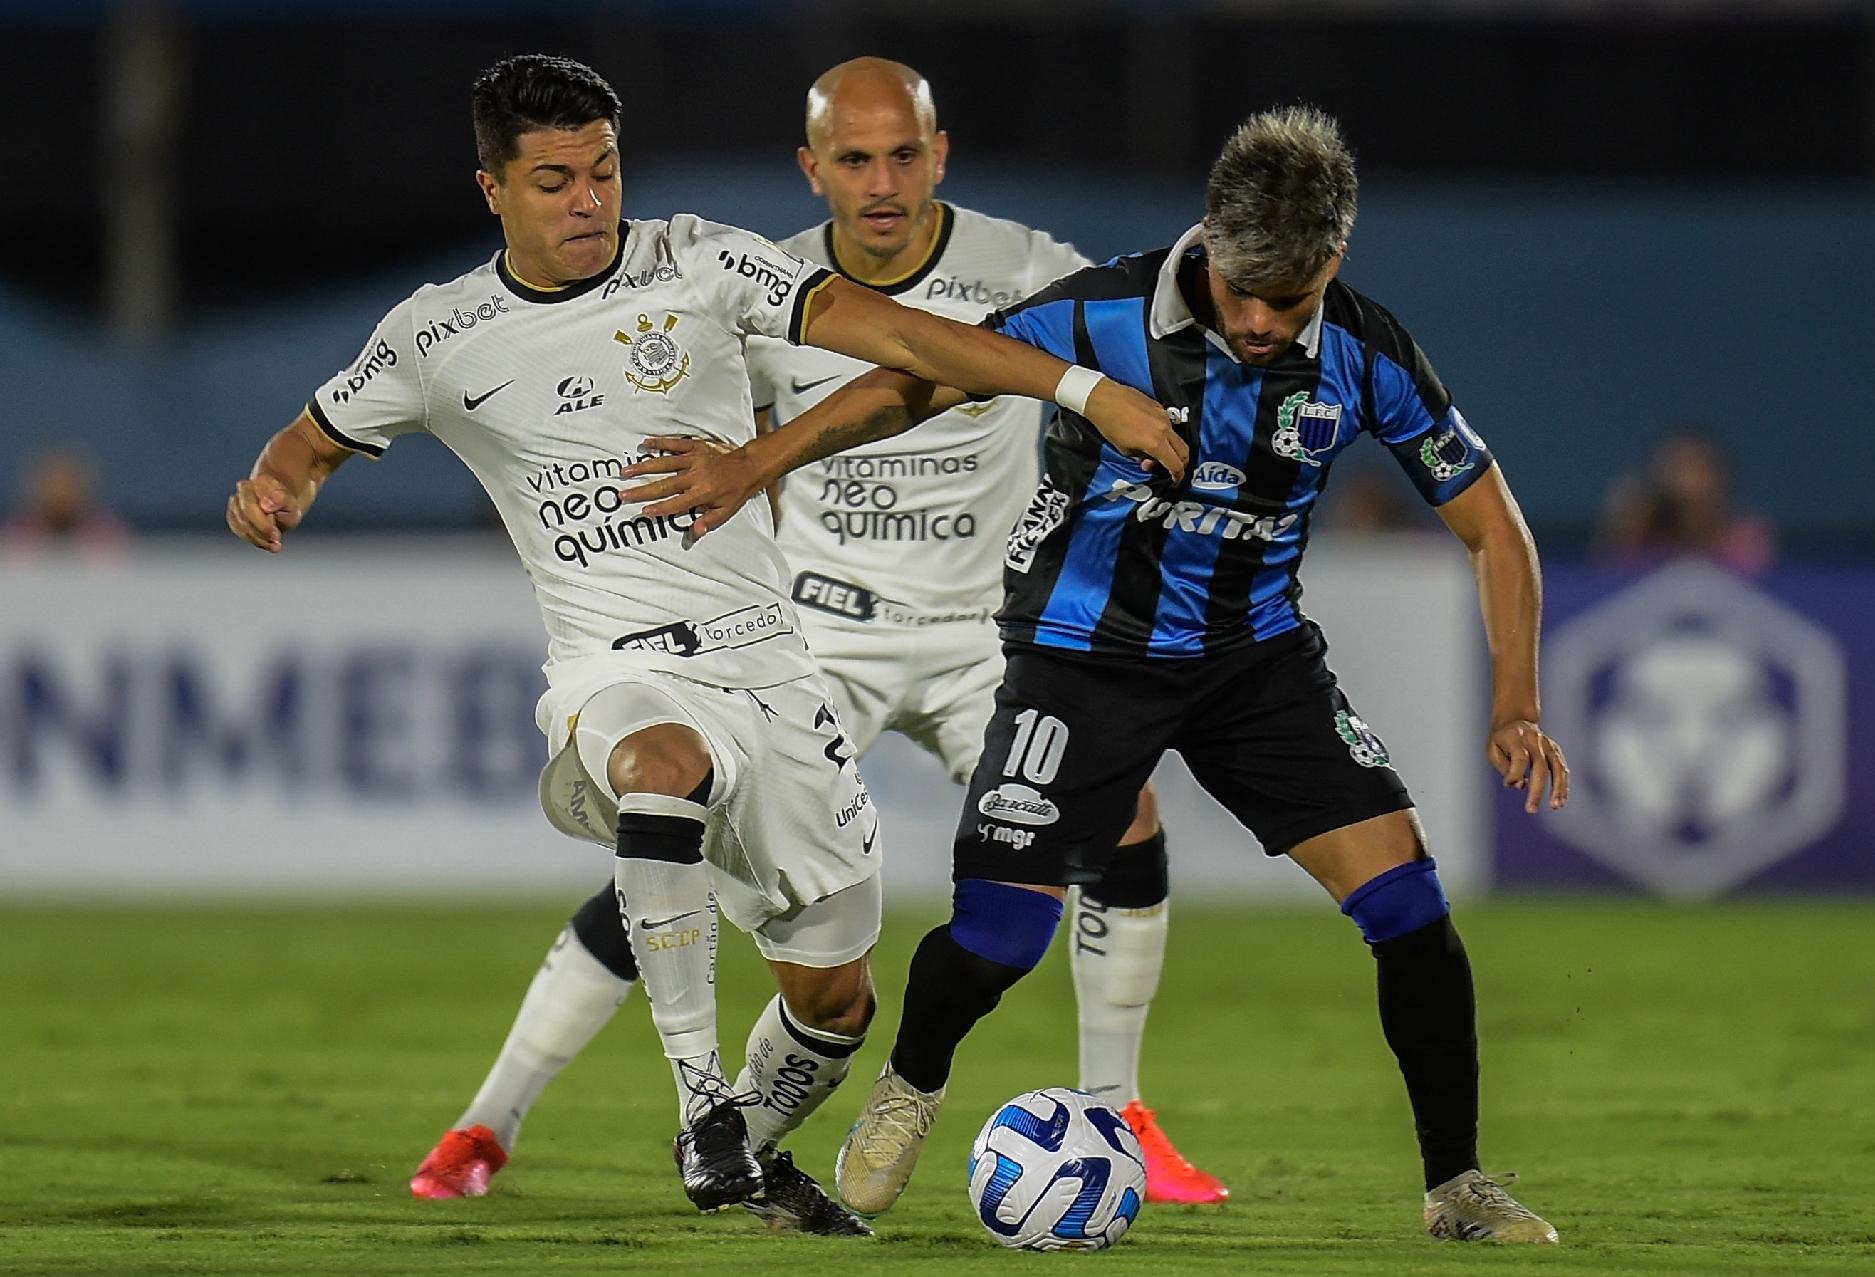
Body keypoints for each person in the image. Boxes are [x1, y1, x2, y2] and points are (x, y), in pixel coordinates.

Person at [223, 53, 1182, 1236]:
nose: (588, 201)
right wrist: (274, 486)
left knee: (836, 999)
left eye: (605, 171)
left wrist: (1085, 392)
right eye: (555, 180)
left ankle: (749, 1142)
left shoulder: (703, 259)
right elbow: (311, 436)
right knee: (661, 770)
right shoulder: (437, 334)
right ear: (493, 192)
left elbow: (909, 342)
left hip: (776, 663)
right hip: (614, 669)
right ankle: (689, 1105)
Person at [625, 106, 1571, 1244]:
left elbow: (1493, 525)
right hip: (1081, 660)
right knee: (1000, 939)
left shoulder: (1368, 346)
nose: (1267, 323)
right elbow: (918, 382)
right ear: (1210, 242)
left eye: (1295, 297)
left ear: (1335, 261)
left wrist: (1516, 699)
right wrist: (755, 459)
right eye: (1246, 293)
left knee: (1410, 905)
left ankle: (1456, 1183)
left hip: (1255, 662)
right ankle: (912, 1083)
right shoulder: (1102, 311)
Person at [1592, 426, 1776, 575]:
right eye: (1676, 466)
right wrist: (1624, 522)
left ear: (1718, 474)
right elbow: (1608, 575)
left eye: (1695, 466)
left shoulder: (1744, 536)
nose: (1685, 478)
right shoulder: (1639, 532)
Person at [1, 448, 130, 558]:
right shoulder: (16, 534)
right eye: (52, 484)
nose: (60, 494)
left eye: (67, 485)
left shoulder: (105, 533)